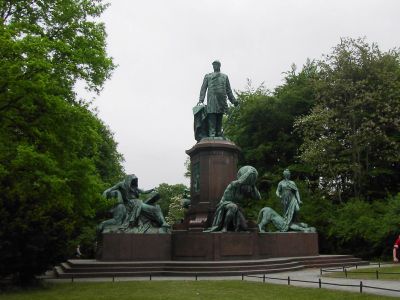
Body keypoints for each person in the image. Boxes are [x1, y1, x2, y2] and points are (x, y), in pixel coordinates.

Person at [205, 166, 261, 232]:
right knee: (233, 207)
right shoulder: (233, 184)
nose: (247, 187)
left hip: (237, 208)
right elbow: (240, 181)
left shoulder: (246, 188)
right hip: (224, 204)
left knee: (244, 227)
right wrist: (248, 173)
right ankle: (224, 228)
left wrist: (252, 183)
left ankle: (234, 226)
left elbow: (258, 197)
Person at [197, 60, 238, 138]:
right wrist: (201, 100)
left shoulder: (225, 77)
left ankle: (218, 133)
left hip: (222, 99)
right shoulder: (208, 76)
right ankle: (212, 134)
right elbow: (203, 89)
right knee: (212, 115)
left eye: (216, 64)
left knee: (220, 116)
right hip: (212, 98)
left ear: (219, 66)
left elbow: (229, 90)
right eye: (214, 65)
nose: (215, 66)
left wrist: (233, 100)